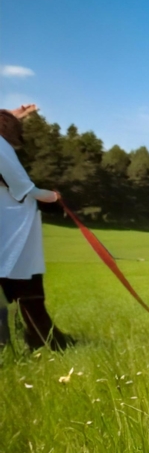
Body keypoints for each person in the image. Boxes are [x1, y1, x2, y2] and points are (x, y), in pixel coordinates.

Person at [0, 104, 71, 350]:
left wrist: (13, 115)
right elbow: (24, 187)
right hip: (10, 223)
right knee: (25, 285)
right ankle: (45, 340)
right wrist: (53, 196)